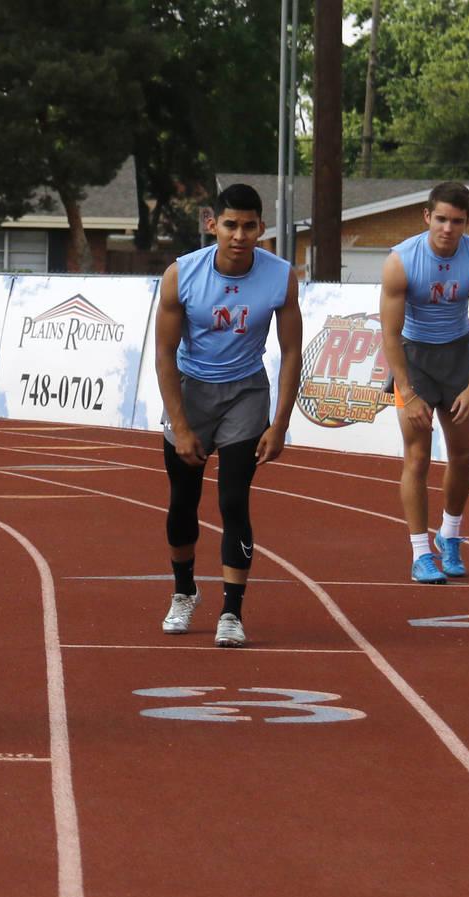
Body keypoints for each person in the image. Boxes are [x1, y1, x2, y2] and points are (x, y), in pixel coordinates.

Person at [153, 184, 303, 647]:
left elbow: (293, 350)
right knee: (183, 501)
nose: (240, 236)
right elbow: (163, 351)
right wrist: (180, 426)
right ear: (211, 224)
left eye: (250, 226)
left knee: (234, 501)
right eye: (231, 225)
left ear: (261, 228)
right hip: (191, 390)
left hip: (246, 392)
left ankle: (232, 613)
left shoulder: (280, 276)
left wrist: (280, 424)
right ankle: (183, 592)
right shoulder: (182, 275)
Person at [378, 182, 469, 583]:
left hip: (458, 354)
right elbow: (390, 335)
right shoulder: (402, 261)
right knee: (418, 457)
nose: (448, 228)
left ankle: (451, 535)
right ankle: (419, 552)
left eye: (457, 221)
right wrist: (407, 392)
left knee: (462, 453)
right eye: (441, 219)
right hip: (414, 358)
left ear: (468, 223)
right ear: (427, 217)